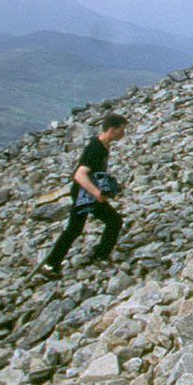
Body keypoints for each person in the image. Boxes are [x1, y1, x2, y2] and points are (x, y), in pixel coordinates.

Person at [37, 114, 129, 278]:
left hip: (86, 192)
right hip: (84, 194)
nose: (124, 133)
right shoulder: (96, 148)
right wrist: (97, 193)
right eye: (121, 130)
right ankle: (98, 257)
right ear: (112, 130)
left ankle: (51, 265)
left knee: (75, 229)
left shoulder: (103, 144)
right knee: (112, 221)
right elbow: (79, 175)